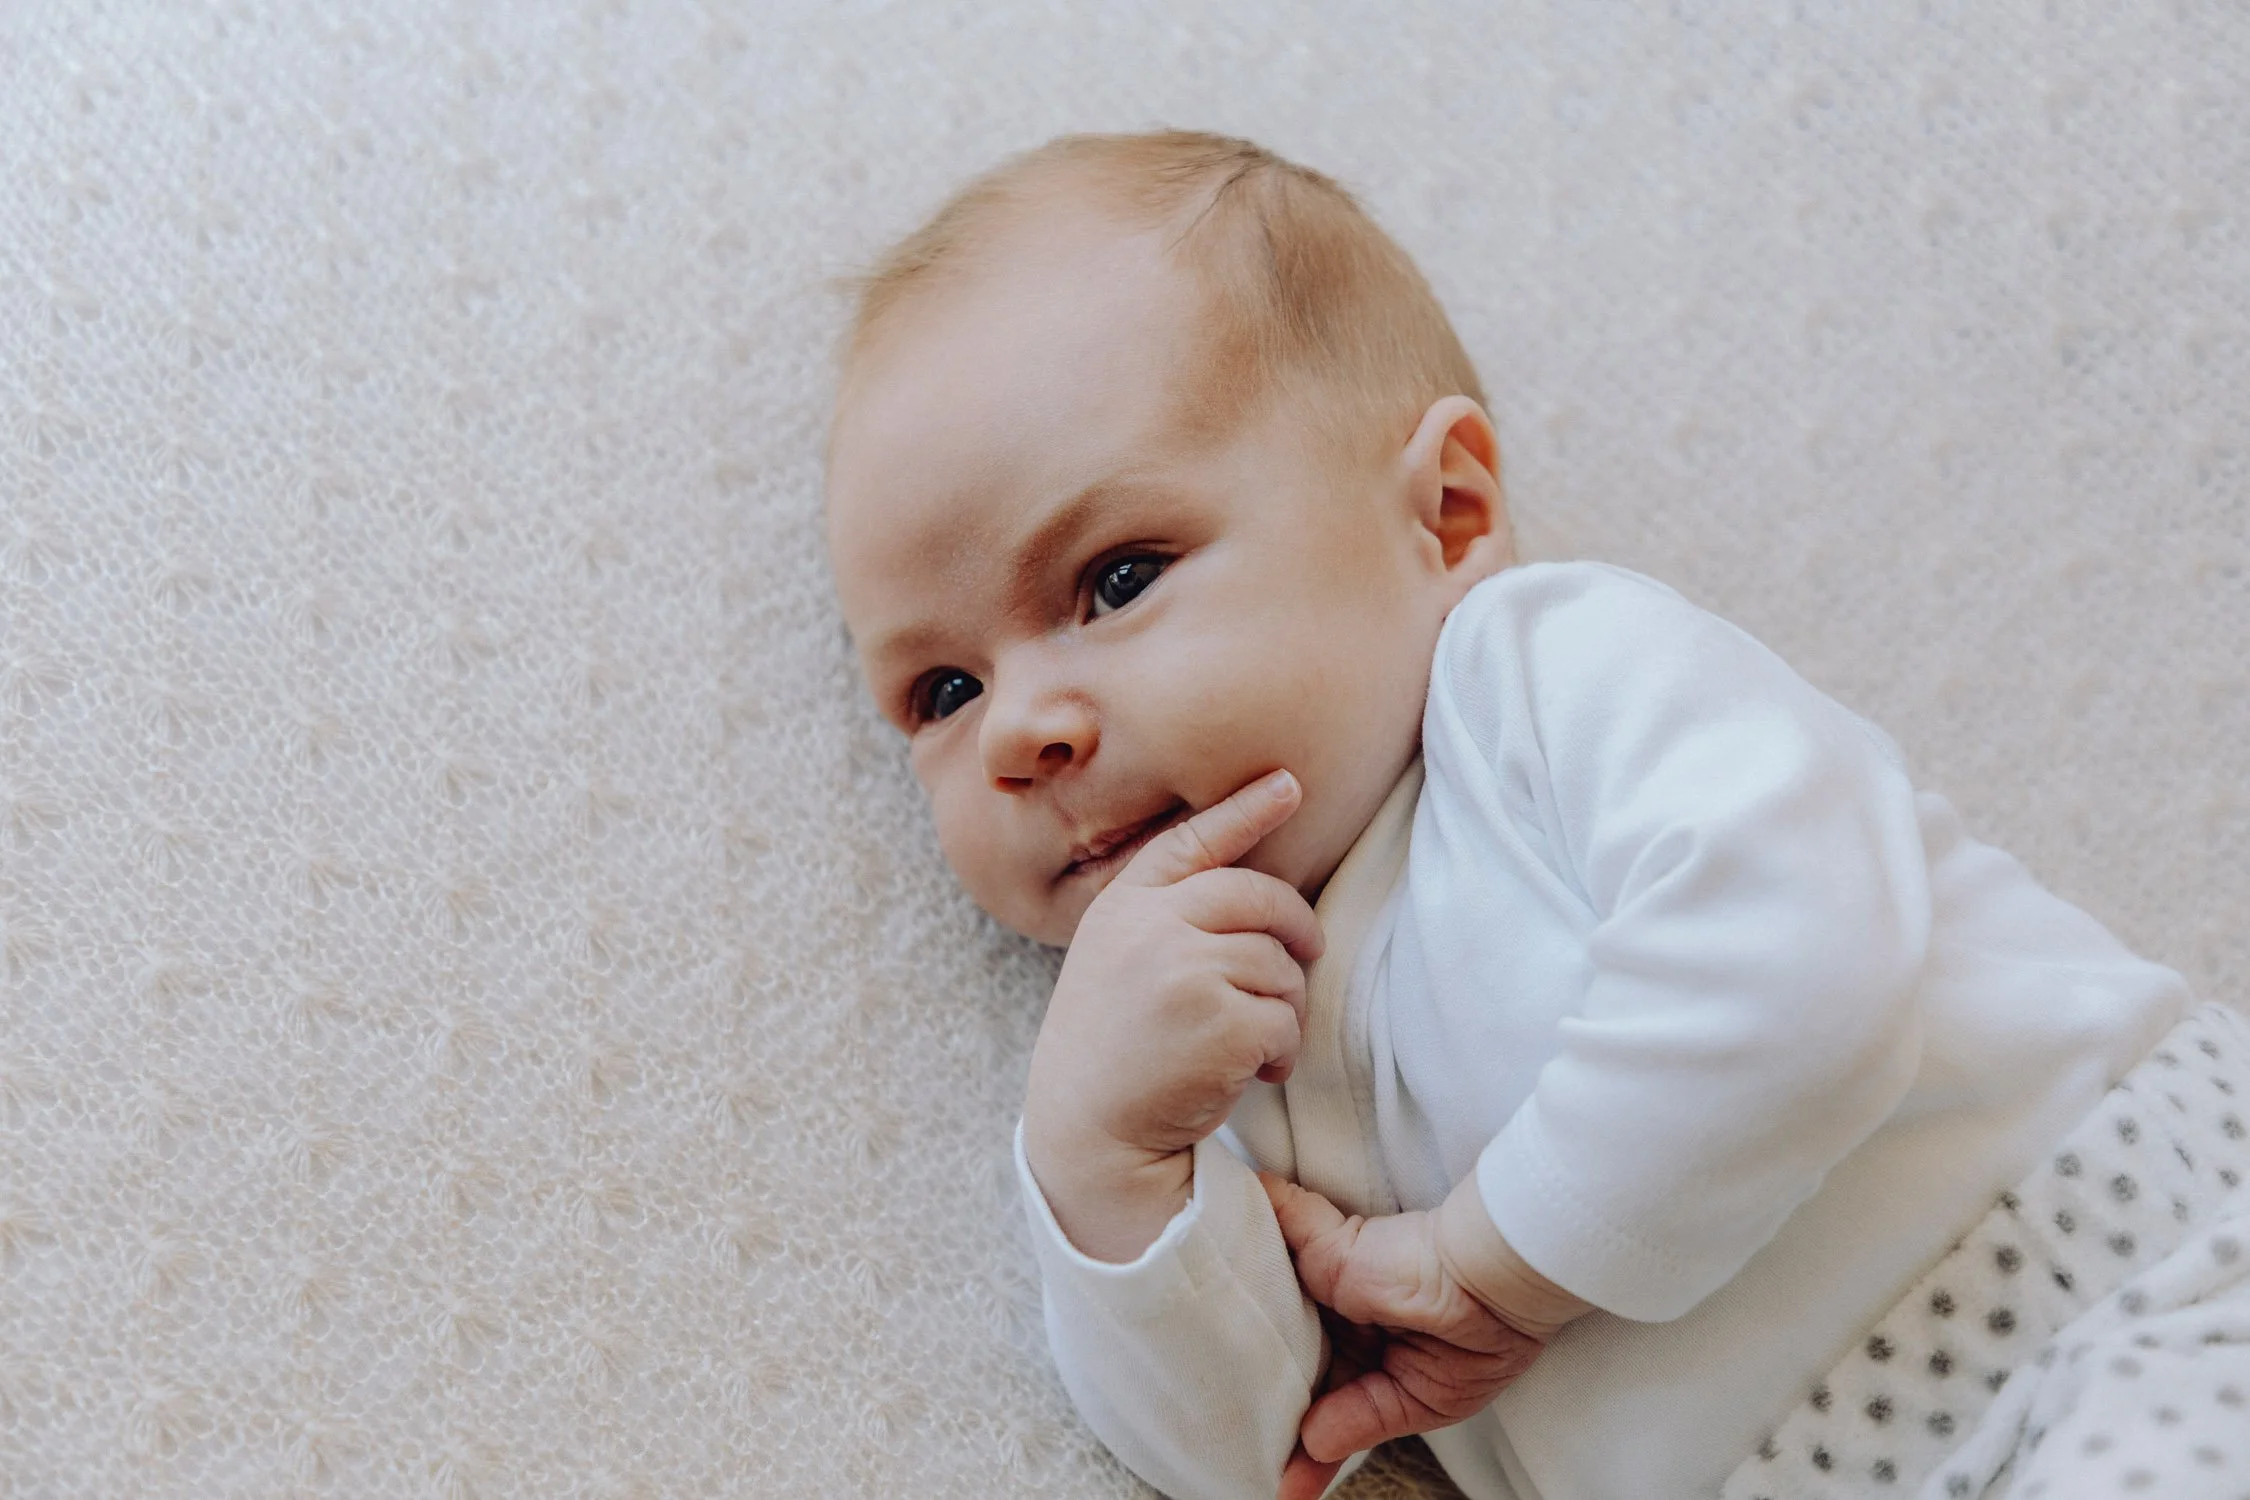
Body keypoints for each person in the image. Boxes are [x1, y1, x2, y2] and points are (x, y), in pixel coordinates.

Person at [822, 130, 2250, 1500]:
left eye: (1117, 579)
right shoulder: (1187, 1061)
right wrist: (1100, 1166)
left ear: (1442, 517)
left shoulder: (1537, 679)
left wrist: (1493, 1264)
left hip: (2121, 1294)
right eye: (941, 689)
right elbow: (1249, 1450)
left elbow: (1799, 961)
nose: (1022, 728)